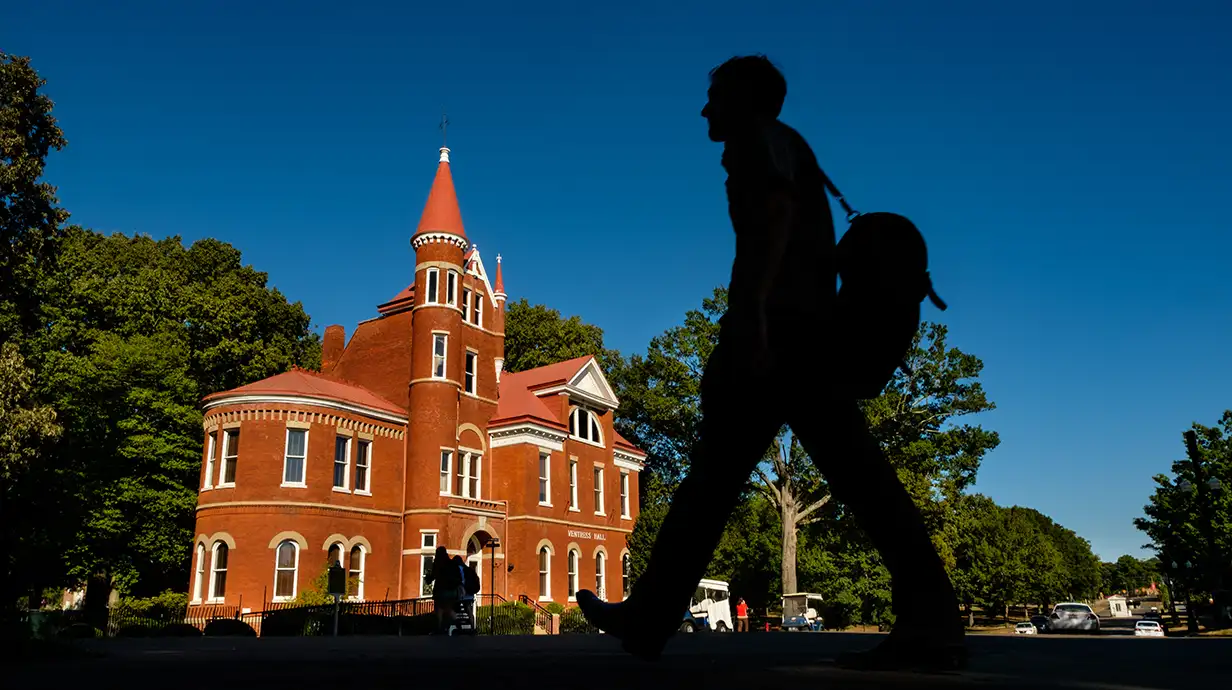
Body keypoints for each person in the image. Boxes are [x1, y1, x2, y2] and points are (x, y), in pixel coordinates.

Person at [576, 54, 965, 671]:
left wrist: (752, 316)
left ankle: (647, 618)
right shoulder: (791, 143)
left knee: (712, 482)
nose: (706, 109)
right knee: (851, 480)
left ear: (747, 99)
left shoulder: (756, 143)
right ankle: (934, 619)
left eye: (716, 96)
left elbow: (772, 221)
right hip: (810, 338)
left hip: (778, 339)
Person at [426, 546, 459, 634]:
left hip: (441, 590)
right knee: (448, 608)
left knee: (439, 609)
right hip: (452, 591)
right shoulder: (451, 564)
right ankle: (454, 622)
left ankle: (440, 628)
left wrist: (428, 578)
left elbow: (432, 577)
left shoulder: (438, 564)